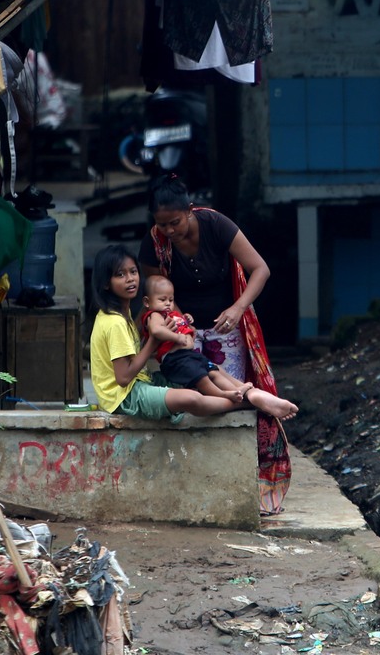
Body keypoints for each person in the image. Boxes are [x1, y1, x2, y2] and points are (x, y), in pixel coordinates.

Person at [137, 174, 292, 515]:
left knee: (231, 403)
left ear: (190, 211)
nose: (170, 232)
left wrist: (238, 309)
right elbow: (155, 295)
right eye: (162, 225)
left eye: (175, 222)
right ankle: (204, 483)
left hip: (227, 330)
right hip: (183, 337)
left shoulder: (216, 224)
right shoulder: (154, 242)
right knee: (199, 404)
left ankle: (247, 483)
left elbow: (260, 269)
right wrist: (180, 326)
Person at [89, 244, 241, 422]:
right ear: (106, 283)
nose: (130, 279)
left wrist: (169, 338)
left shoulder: (123, 314)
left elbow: (134, 358)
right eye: (120, 275)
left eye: (133, 272)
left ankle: (245, 393)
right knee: (191, 398)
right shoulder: (114, 322)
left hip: (139, 382)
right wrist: (154, 340)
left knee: (198, 374)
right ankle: (244, 403)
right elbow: (123, 378)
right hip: (123, 397)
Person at [139, 274, 297, 418]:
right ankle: (226, 395)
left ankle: (240, 391)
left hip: (189, 356)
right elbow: (157, 330)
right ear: (147, 302)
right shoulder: (153, 315)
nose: (167, 304)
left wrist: (185, 320)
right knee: (202, 379)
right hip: (175, 360)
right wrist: (178, 337)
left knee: (213, 370)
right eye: (162, 300)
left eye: (171, 300)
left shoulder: (170, 314)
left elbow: (181, 325)